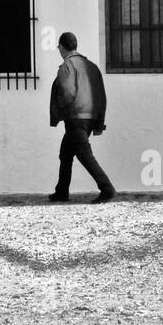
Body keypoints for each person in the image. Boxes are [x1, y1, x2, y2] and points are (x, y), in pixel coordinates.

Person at [48, 32, 116, 204]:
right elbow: (102, 96)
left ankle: (107, 189)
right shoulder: (92, 66)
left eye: (58, 47)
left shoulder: (67, 66)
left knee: (85, 155)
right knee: (66, 153)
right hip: (91, 116)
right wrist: (99, 121)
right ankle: (61, 191)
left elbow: (67, 92)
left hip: (75, 117)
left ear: (62, 47)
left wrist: (63, 110)